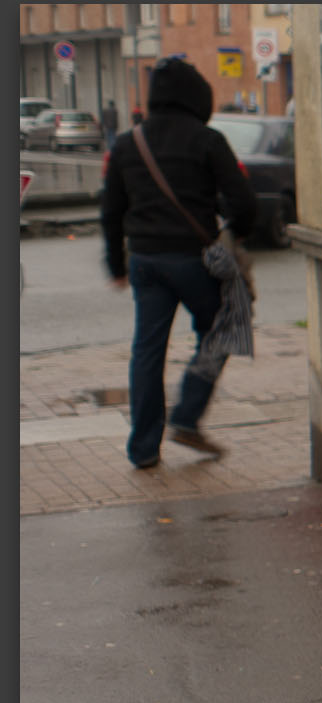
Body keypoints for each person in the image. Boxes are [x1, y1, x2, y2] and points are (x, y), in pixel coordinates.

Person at [100, 57, 256, 469]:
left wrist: (116, 264)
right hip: (193, 259)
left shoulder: (126, 143)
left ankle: (144, 448)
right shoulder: (207, 140)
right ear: (195, 96)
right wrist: (235, 231)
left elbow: (111, 211)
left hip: (145, 261)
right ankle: (187, 414)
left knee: (146, 351)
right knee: (223, 328)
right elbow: (243, 202)